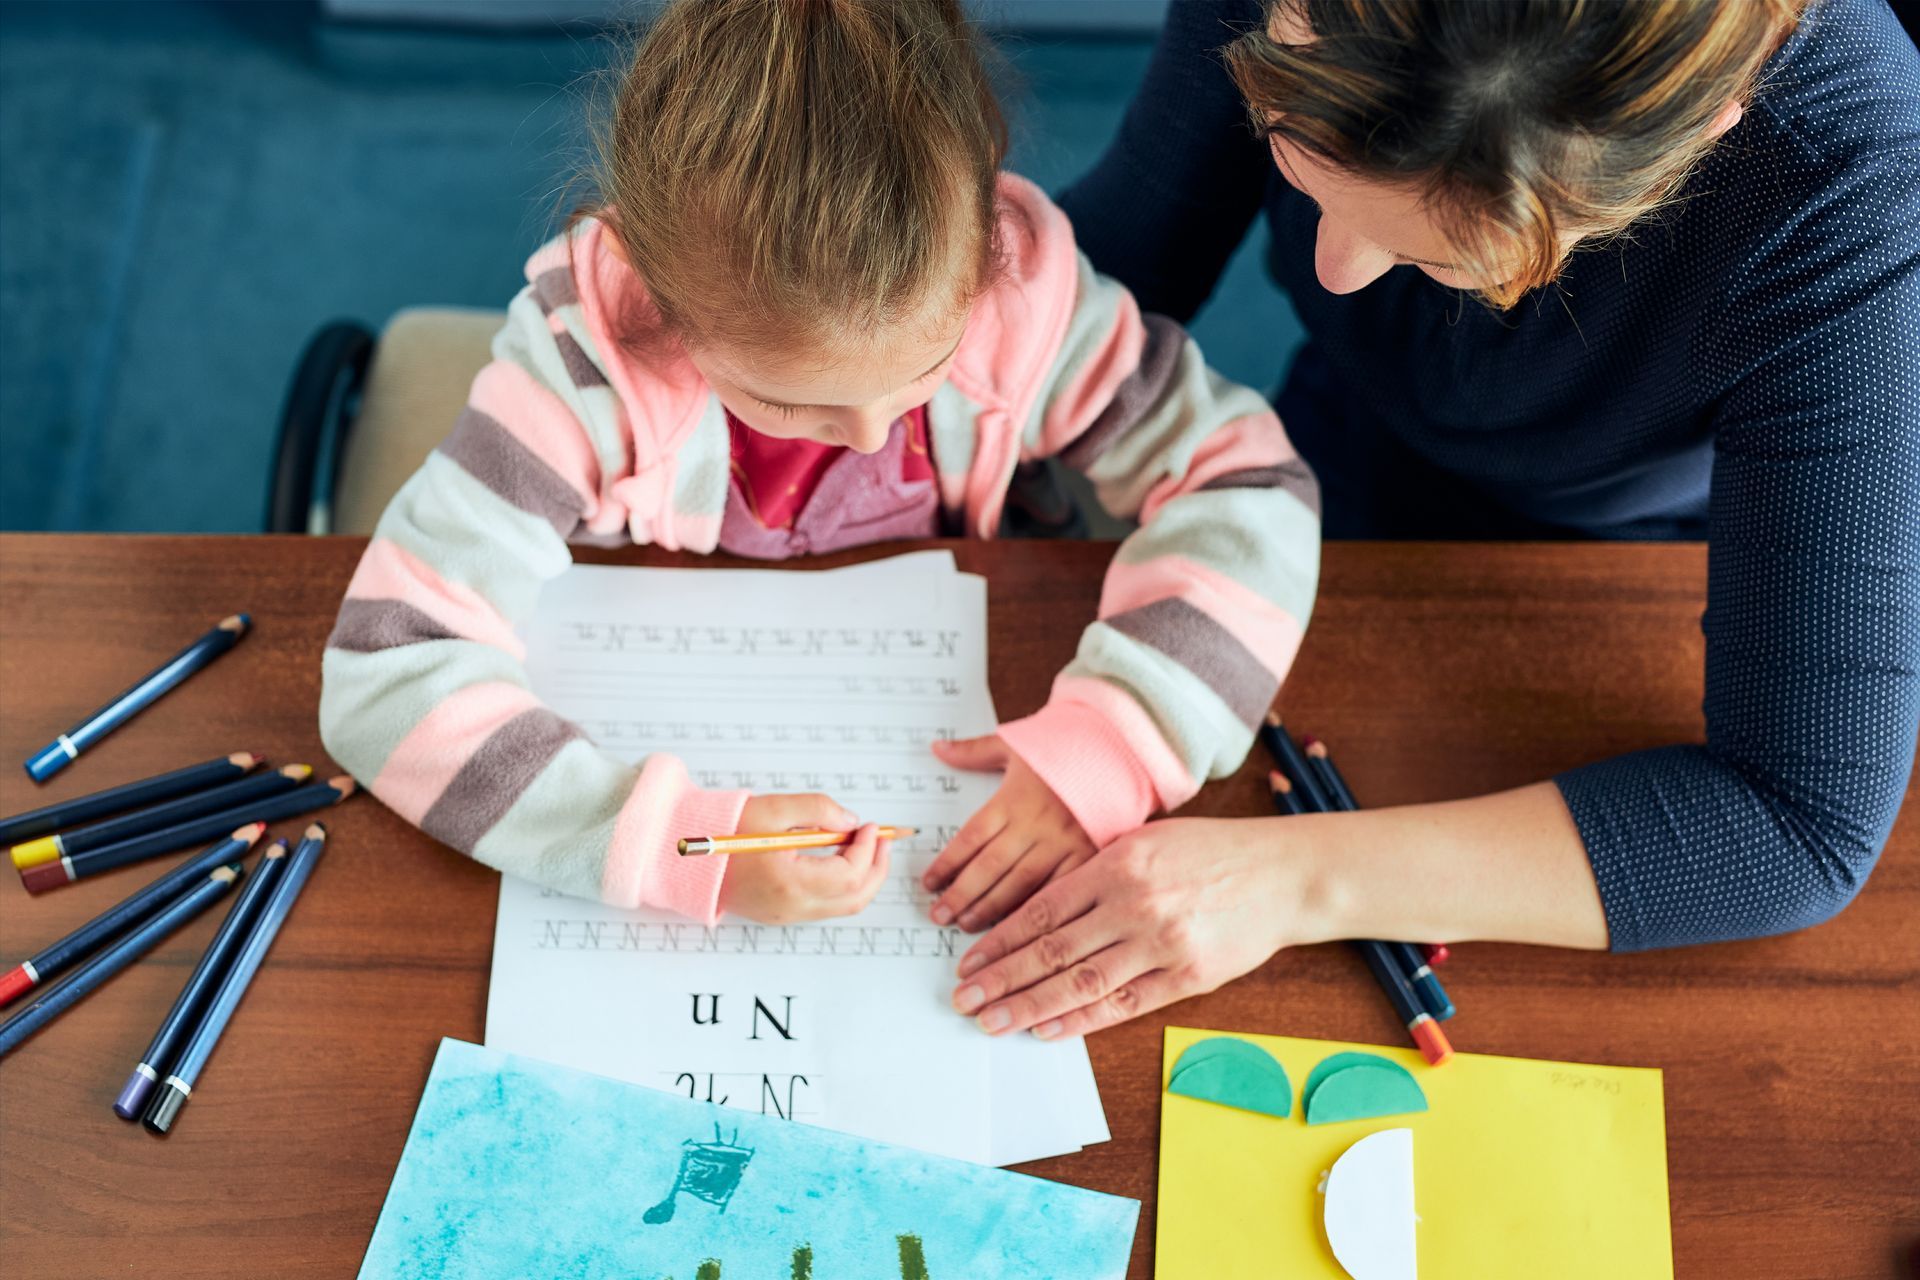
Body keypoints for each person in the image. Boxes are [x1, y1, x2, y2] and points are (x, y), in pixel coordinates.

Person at [942, 0, 1919, 1041]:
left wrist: (1290, 881)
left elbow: (1797, 822)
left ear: (1700, 135)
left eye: (1455, 259)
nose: (1334, 270)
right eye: (1302, 165)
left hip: (1614, 569)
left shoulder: (1850, 173)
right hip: (1319, 460)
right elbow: (1125, 269)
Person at [316, 0, 1320, 926]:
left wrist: (1116, 744)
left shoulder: (1018, 306)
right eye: (788, 401)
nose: (876, 438)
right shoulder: (584, 366)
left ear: (984, 251)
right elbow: (387, 673)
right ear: (661, 299)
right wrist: (685, 845)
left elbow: (1250, 486)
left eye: (922, 376)